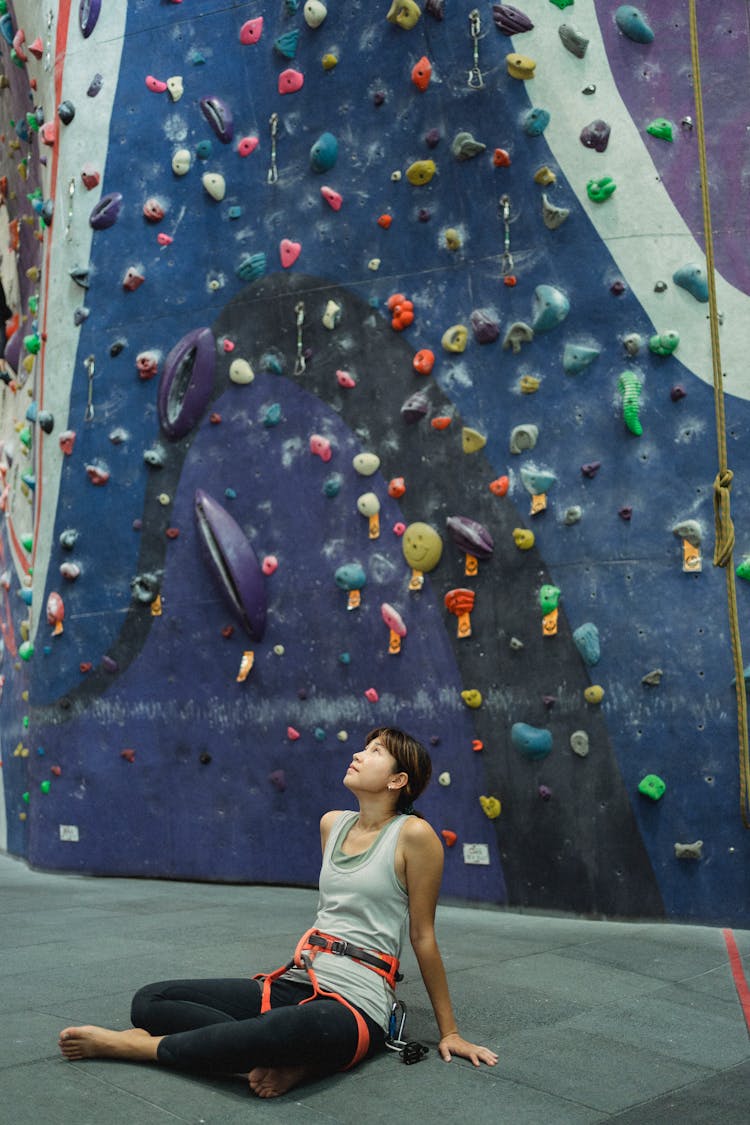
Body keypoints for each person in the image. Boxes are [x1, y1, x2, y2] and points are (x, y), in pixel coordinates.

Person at [59, 726, 498, 1097]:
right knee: (150, 1000)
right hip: (300, 978)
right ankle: (290, 1056)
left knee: (279, 1031)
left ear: (398, 780)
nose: (358, 755)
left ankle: (140, 1049)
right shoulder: (333, 823)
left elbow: (423, 935)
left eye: (374, 752)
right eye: (364, 748)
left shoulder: (415, 836)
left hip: (357, 1000)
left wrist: (450, 1032)